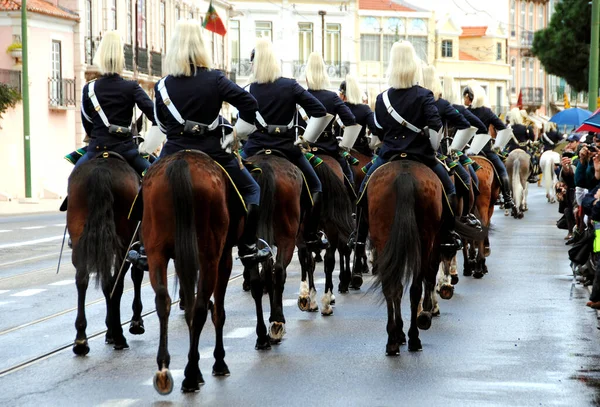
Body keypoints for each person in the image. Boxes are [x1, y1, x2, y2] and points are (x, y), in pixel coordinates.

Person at [151, 20, 271, 267]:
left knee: (145, 187)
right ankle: (248, 244)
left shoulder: (162, 85)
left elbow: (161, 124)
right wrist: (234, 134)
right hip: (213, 151)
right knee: (252, 190)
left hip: (173, 148)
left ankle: (142, 245)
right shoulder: (216, 79)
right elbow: (249, 104)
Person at [352, 41, 466, 264]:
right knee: (450, 190)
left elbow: (379, 131)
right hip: (422, 157)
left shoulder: (382, 98)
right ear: (413, 65)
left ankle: (358, 238)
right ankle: (449, 235)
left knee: (363, 191)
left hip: (388, 156)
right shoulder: (425, 95)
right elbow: (435, 130)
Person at [241, 39, 331, 252]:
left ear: (256, 62)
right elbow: (319, 112)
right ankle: (310, 235)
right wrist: (306, 139)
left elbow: (242, 125)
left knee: (232, 186)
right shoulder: (290, 86)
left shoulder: (248, 89)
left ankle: (240, 235)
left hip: (254, 149)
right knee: (316, 186)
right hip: (287, 150)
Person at [74, 31, 156, 176]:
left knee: (72, 180)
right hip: (126, 151)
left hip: (96, 149)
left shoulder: (89, 88)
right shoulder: (131, 87)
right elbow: (155, 115)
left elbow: (87, 124)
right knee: (155, 178)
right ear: (121, 57)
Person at [421, 65, 480, 228]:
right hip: (436, 154)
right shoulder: (442, 104)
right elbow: (467, 125)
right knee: (466, 179)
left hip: (406, 152)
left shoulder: (412, 100)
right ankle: (461, 220)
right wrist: (454, 147)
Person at [302, 52, 357, 186]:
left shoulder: (300, 95)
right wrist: (345, 146)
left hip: (305, 150)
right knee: (349, 178)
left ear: (307, 75)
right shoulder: (332, 97)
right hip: (329, 148)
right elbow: (351, 120)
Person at [462, 82, 515, 210]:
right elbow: (503, 128)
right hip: (485, 150)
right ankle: (507, 198)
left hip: (467, 149)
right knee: (502, 171)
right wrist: (498, 145)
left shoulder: (464, 112)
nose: (464, 99)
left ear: (471, 97)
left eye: (465, 96)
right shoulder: (487, 112)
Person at [336, 74, 381, 157]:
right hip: (361, 150)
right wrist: (371, 145)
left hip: (338, 151)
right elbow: (376, 129)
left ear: (343, 95)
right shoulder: (365, 109)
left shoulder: (336, 107)